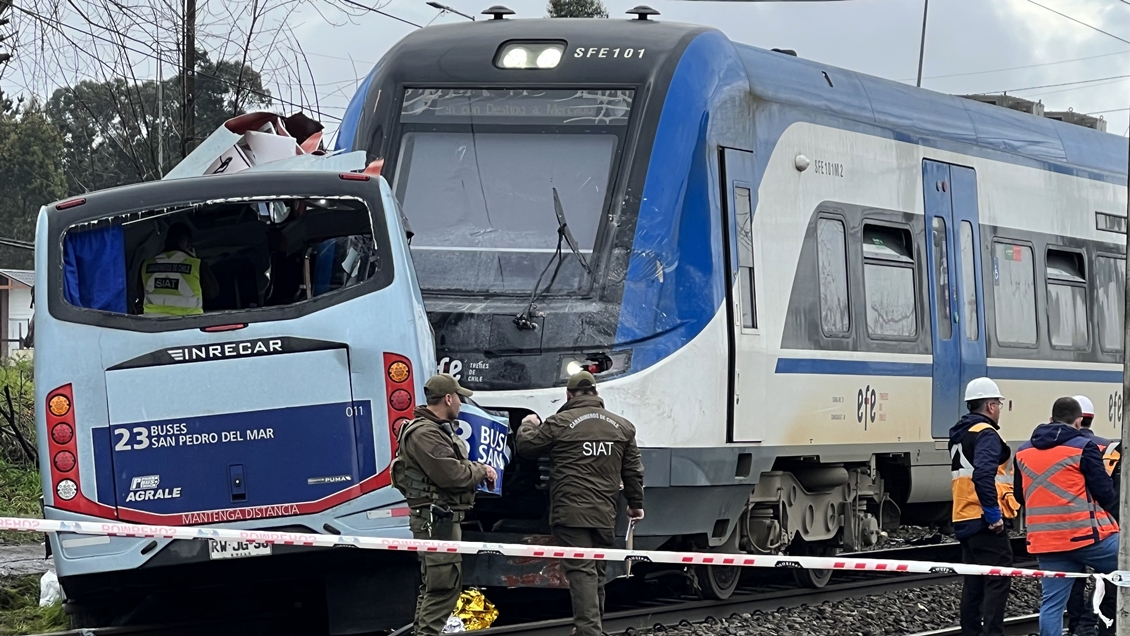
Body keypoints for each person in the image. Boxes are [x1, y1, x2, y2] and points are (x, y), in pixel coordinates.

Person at [516, 371, 645, 636]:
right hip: (605, 512)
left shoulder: (560, 423)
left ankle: (588, 631)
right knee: (597, 569)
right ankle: (592, 628)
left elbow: (527, 447)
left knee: (582, 571)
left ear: (568, 395)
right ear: (596, 393)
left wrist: (528, 424)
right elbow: (633, 471)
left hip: (570, 513)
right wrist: (635, 504)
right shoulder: (622, 426)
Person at [390, 374, 498, 636]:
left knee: (436, 585)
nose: (461, 403)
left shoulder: (432, 430)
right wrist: (481, 470)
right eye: (459, 397)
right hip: (436, 521)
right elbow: (452, 475)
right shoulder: (426, 434)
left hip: (439, 519)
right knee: (443, 587)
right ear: (448, 398)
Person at [1014, 397, 1120, 636]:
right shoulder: (1083, 447)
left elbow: (1020, 496)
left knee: (1052, 604)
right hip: (1087, 538)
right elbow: (1105, 492)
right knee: (1124, 568)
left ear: (1050, 419)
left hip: (1047, 543)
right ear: (1079, 421)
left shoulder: (1022, 452)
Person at [949, 377, 1019, 636]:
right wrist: (993, 515)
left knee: (974, 582)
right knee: (998, 579)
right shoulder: (986, 433)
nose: (999, 409)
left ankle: (971, 632)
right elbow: (983, 475)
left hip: (963, 515)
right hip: (983, 518)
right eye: (998, 404)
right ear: (990, 406)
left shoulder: (959, 434)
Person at [1066, 396, 1111, 636]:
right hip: (1102, 524)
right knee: (1110, 575)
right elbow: (1108, 489)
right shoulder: (1107, 447)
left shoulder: (1061, 449)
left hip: (1070, 524)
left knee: (1073, 576)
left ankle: (1077, 624)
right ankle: (1093, 621)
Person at [140, 222, 219, 315]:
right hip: (188, 319)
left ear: (166, 241)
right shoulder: (197, 264)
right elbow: (212, 294)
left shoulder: (146, 264)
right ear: (187, 242)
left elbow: (140, 295)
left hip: (152, 320)